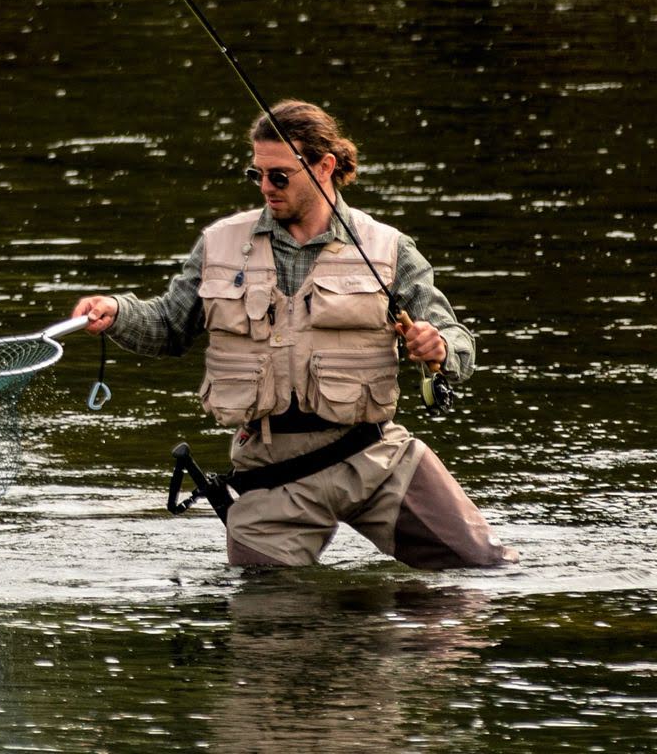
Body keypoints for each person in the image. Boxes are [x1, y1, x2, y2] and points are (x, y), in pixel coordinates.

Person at [73, 100, 517, 569]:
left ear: (325, 167)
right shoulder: (219, 245)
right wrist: (116, 312)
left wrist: (440, 347)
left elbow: (454, 337)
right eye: (257, 175)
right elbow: (168, 325)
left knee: (485, 572)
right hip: (269, 475)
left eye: (279, 176)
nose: (266, 187)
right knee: (272, 625)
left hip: (376, 458)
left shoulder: (388, 248)